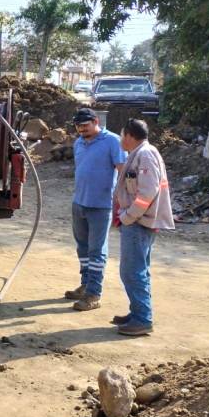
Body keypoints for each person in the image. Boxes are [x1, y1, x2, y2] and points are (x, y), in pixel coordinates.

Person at [111, 118, 173, 336]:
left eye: (121, 135)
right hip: (139, 222)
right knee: (138, 270)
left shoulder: (145, 155)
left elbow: (147, 193)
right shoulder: (140, 153)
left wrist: (128, 216)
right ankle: (137, 312)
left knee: (132, 271)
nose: (120, 139)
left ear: (129, 135)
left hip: (138, 223)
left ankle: (142, 319)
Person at [65, 107, 127, 311]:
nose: (81, 129)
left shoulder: (112, 141)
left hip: (101, 206)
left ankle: (94, 294)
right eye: (78, 126)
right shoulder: (78, 143)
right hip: (79, 203)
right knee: (82, 248)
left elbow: (123, 171)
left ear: (95, 122)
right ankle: (85, 285)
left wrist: (121, 201)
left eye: (85, 125)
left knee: (96, 251)